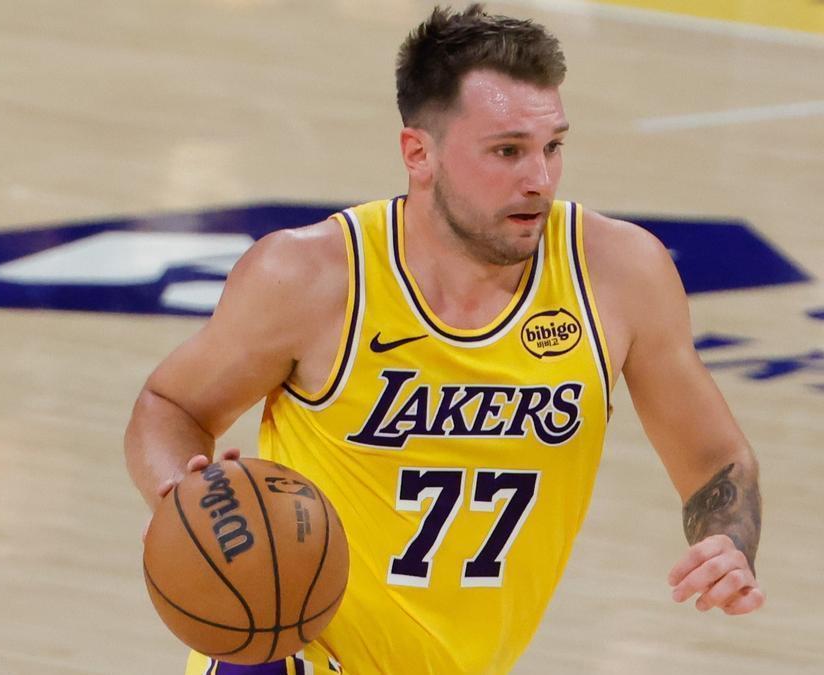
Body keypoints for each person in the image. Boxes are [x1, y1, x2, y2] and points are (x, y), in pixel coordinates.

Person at [124, 4, 764, 673]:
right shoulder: (310, 277)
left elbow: (716, 460)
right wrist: (180, 502)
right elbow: (170, 405)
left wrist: (730, 541)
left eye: (552, 147)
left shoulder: (618, 274)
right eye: (507, 151)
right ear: (418, 153)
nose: (539, 180)